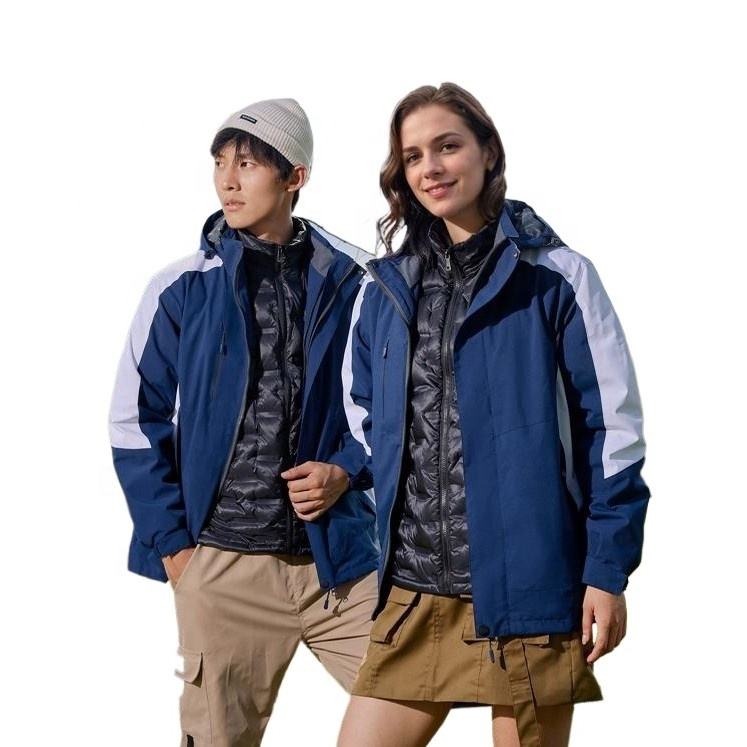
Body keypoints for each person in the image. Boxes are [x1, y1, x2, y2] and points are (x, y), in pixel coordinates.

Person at [337, 83, 650, 747]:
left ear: (487, 152)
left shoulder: (557, 277)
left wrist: (605, 570)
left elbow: (612, 433)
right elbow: (365, 419)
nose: (430, 167)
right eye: (413, 156)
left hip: (528, 588)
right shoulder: (383, 288)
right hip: (414, 589)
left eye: (447, 146)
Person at [109, 98, 379, 746]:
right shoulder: (181, 288)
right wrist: (177, 551)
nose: (227, 181)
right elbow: (133, 420)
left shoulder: (357, 282)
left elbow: (393, 405)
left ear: (295, 177)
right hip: (223, 566)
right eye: (220, 163)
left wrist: (346, 470)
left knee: (413, 695)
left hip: (337, 562)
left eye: (248, 164)